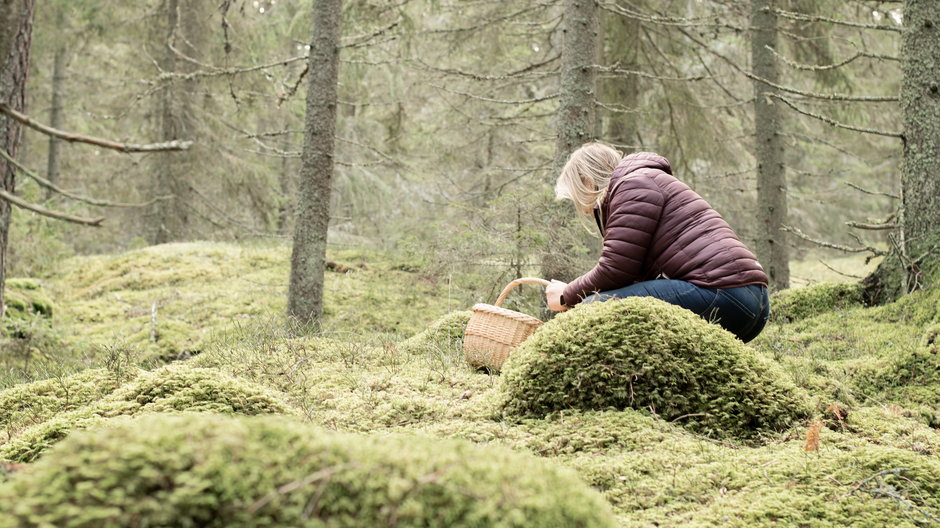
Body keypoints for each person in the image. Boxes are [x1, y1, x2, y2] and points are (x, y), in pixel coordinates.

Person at [545, 143, 770, 343]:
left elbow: (616, 270)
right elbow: (634, 275)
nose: (582, 207)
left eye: (577, 195)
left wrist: (568, 294)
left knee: (596, 307)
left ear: (588, 181)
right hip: (750, 301)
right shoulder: (642, 182)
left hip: (724, 294)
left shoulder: (632, 185)